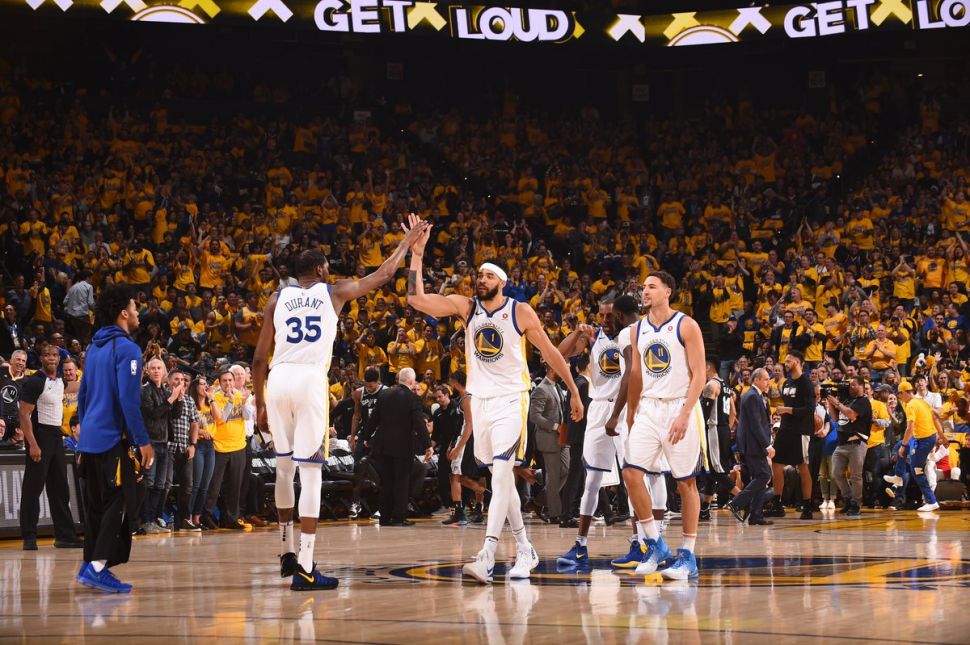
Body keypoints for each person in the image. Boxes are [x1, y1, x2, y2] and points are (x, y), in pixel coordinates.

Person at [404, 213, 583, 584]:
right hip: (481, 401)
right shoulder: (466, 307)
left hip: (511, 399)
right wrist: (416, 254)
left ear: (502, 281)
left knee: (501, 473)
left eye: (488, 275)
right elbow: (416, 300)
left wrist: (575, 391)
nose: (481, 279)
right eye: (479, 275)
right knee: (501, 480)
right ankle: (526, 548)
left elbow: (550, 352)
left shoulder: (519, 311)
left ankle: (487, 555)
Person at [252, 221, 427, 592]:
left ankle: (286, 551)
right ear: (319, 269)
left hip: (277, 380)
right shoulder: (333, 292)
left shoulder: (276, 299)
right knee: (311, 473)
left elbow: (258, 359)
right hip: (309, 380)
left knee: (283, 468)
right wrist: (407, 243)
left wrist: (259, 401)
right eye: (327, 266)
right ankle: (306, 567)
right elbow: (384, 274)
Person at [555, 296, 653, 568]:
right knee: (592, 479)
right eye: (602, 315)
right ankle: (580, 545)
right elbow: (560, 354)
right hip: (598, 408)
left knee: (632, 478)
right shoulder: (594, 336)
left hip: (623, 409)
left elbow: (630, 374)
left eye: (610, 315)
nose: (606, 320)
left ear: (619, 315)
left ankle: (640, 543)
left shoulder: (629, 336)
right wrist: (577, 332)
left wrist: (616, 415)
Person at [624, 271, 706, 580]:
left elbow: (700, 374)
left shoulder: (686, 325)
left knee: (685, 483)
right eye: (643, 287)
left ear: (668, 291)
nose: (645, 291)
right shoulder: (637, 330)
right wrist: (632, 410)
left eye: (652, 286)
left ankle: (687, 555)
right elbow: (636, 374)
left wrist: (685, 413)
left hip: (679, 405)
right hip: (648, 407)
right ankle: (655, 544)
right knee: (631, 474)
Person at [76, 283, 154, 593]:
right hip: (112, 440)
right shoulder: (128, 349)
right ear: (123, 313)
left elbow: (82, 396)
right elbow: (127, 399)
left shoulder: (93, 348)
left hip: (90, 440)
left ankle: (89, 564)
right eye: (135, 308)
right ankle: (97, 568)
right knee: (121, 503)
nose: (138, 313)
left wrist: (82, 438)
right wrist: (142, 441)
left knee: (97, 505)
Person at [18, 343, 84, 550]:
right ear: (41, 358)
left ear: (59, 358)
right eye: (47, 355)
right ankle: (29, 536)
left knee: (60, 489)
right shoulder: (35, 381)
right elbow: (24, 414)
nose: (51, 358)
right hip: (40, 437)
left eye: (54, 355)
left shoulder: (59, 382)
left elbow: (75, 386)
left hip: (56, 438)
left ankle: (65, 536)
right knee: (33, 488)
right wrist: (32, 444)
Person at [366, 367, 430, 526]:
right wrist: (427, 445)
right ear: (411, 381)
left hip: (383, 446)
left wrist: (366, 437)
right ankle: (398, 517)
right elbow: (419, 423)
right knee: (402, 481)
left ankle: (384, 517)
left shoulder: (384, 394)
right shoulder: (412, 398)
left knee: (386, 482)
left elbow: (373, 419)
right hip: (403, 447)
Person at [769, 351, 816, 519]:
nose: (786, 363)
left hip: (801, 430)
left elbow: (809, 409)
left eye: (789, 361)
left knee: (802, 466)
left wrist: (787, 410)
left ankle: (807, 506)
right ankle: (777, 503)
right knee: (776, 463)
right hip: (785, 428)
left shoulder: (806, 384)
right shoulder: (787, 382)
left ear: (797, 362)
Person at [139, 357, 184, 533]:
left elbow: (174, 415)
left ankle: (154, 519)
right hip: (150, 442)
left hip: (164, 442)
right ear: (148, 371)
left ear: (164, 371)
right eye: (153, 368)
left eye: (159, 368)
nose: (157, 371)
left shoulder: (165, 391)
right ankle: (145, 521)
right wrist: (172, 398)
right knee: (149, 483)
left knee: (160, 484)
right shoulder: (145, 391)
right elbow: (153, 414)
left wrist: (179, 399)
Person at [726, 368, 775, 525]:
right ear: (756, 380)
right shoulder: (752, 396)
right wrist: (767, 445)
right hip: (753, 444)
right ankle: (736, 503)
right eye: (765, 379)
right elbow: (755, 425)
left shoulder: (756, 395)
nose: (768, 383)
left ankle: (756, 515)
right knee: (764, 475)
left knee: (761, 476)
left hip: (752, 444)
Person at [888, 380, 946, 511]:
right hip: (922, 437)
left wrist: (904, 445)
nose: (899, 397)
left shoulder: (911, 405)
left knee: (916, 470)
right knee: (899, 445)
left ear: (903, 392)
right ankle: (898, 477)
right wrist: (941, 435)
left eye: (899, 394)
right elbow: (935, 418)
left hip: (924, 439)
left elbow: (909, 428)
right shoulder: (921, 401)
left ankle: (931, 501)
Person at [826, 376, 873, 517]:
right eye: (849, 385)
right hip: (841, 443)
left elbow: (851, 415)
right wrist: (831, 403)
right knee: (836, 473)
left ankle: (856, 504)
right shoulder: (846, 400)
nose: (850, 387)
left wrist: (837, 403)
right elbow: (835, 418)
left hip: (857, 443)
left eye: (853, 384)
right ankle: (848, 498)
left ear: (861, 386)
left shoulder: (863, 401)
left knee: (855, 476)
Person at [529, 362, 567, 523]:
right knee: (553, 476)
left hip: (562, 437)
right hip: (549, 438)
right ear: (552, 369)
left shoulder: (556, 386)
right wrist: (555, 426)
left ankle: (538, 501)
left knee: (566, 470)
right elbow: (534, 416)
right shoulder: (541, 389)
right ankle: (554, 514)